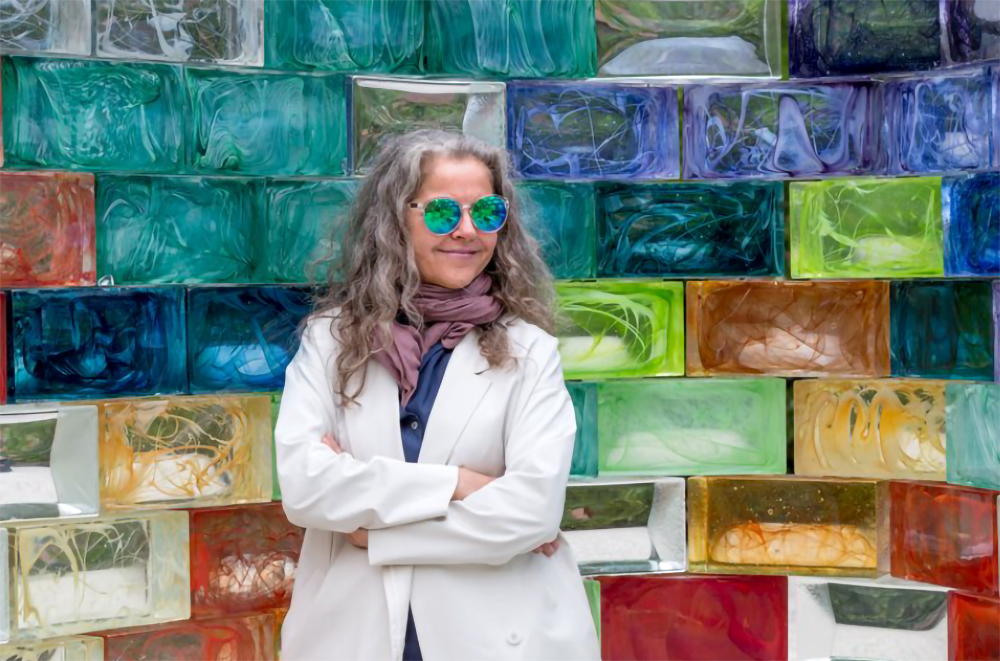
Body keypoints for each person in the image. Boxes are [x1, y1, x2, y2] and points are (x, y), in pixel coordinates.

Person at [275, 130, 602, 660]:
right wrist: (462, 483)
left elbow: (532, 513)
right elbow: (307, 488)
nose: (467, 231)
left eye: (488, 212)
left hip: (499, 635)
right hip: (354, 633)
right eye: (444, 213)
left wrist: (374, 533)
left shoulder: (530, 350)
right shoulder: (330, 340)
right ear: (396, 217)